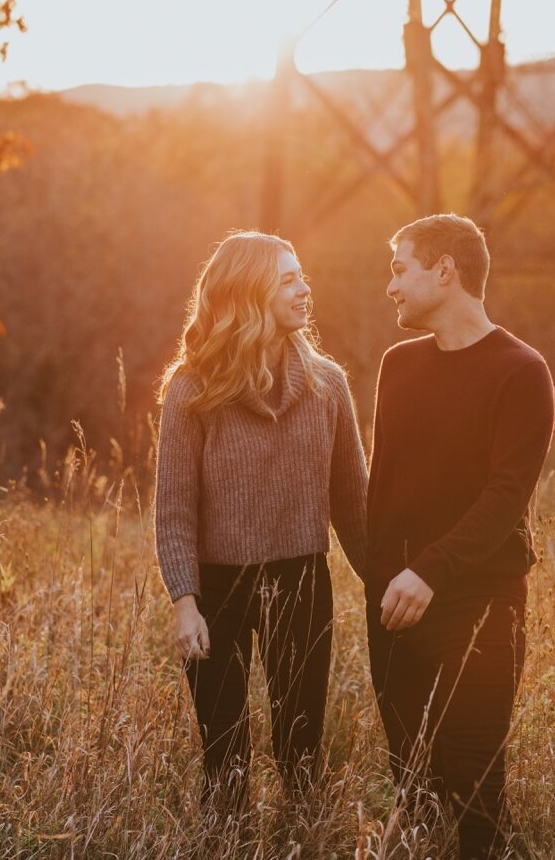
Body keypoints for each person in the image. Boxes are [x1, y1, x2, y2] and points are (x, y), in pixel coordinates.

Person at [153, 231, 367, 813]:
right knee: (224, 756)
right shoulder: (191, 389)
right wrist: (185, 602)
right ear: (250, 293)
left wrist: (393, 579)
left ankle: (303, 841)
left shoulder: (329, 385)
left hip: (301, 582)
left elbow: (355, 505)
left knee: (301, 749)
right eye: (289, 279)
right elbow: (174, 511)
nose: (305, 289)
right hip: (216, 590)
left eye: (303, 275)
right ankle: (226, 843)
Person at [366, 214, 555, 859]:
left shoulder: (521, 371)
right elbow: (384, 488)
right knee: (414, 790)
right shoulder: (398, 366)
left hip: (480, 605)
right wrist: (379, 583)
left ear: (444, 271)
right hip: (395, 606)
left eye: (399, 269)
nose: (390, 286)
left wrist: (431, 569)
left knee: (475, 791)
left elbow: (507, 498)